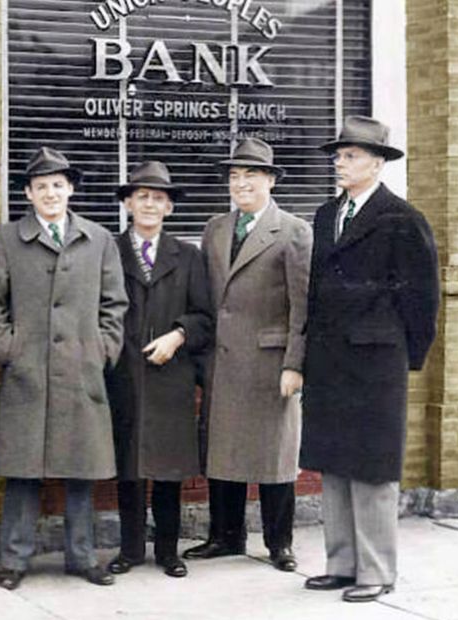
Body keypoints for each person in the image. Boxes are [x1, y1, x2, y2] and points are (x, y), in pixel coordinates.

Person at [299, 116, 439, 603]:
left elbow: (422, 299)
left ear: (377, 164)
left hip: (378, 364)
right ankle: (342, 565)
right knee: (334, 462)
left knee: (373, 468)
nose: (340, 163)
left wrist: (405, 357)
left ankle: (376, 571)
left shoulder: (402, 219)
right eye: (338, 156)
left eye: (351, 156)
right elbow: (315, 292)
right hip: (330, 360)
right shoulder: (324, 215)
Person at [0, 147, 128, 590]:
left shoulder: (98, 239)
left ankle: (81, 556)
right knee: (24, 471)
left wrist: (101, 349)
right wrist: (7, 349)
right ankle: (14, 559)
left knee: (81, 469)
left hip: (82, 371)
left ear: (71, 189)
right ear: (27, 192)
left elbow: (115, 304)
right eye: (41, 186)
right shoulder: (8, 240)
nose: (50, 193)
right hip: (29, 372)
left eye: (58, 185)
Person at [186, 138, 312, 573]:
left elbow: (303, 306)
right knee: (225, 452)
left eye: (251, 175)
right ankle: (225, 536)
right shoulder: (215, 228)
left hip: (270, 362)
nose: (241, 184)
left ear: (271, 180)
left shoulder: (293, 230)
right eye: (235, 176)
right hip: (222, 360)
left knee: (275, 457)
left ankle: (279, 543)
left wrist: (295, 364)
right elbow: (206, 299)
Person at [104, 161, 213, 579]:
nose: (150, 204)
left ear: (169, 208)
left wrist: (178, 335)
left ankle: (168, 550)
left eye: (159, 199)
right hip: (123, 374)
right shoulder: (108, 251)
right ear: (129, 203)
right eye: (142, 197)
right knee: (128, 465)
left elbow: (204, 316)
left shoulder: (187, 256)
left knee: (168, 467)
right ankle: (130, 550)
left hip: (172, 375)